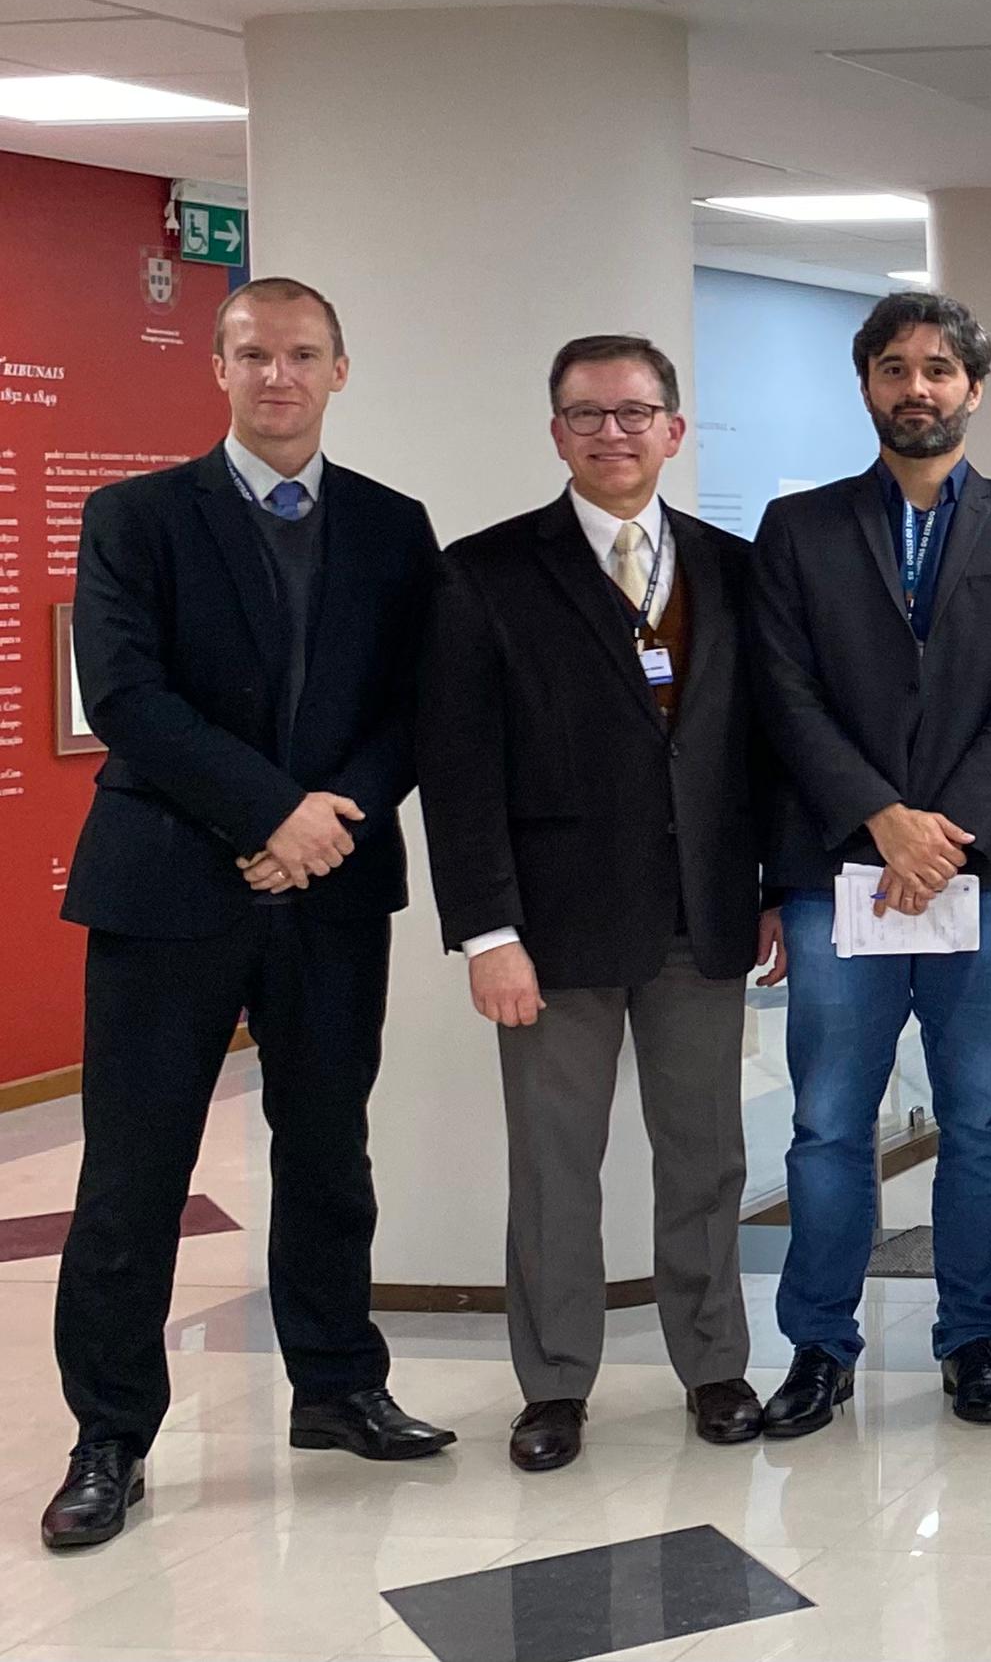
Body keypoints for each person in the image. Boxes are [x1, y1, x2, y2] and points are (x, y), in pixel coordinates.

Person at [43, 279, 453, 1551]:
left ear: (340, 371)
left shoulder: (393, 525)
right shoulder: (136, 517)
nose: (279, 376)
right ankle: (110, 1436)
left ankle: (336, 1387)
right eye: (255, 354)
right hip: (169, 884)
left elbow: (416, 705)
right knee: (134, 1172)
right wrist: (273, 815)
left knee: (328, 1152)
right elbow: (126, 696)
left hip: (331, 891)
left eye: (302, 355)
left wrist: (329, 826)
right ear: (217, 369)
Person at [415, 335, 777, 1475]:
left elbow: (760, 750)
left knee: (706, 1155)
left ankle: (714, 1364)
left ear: (674, 430)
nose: (611, 433)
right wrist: (488, 932)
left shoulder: (734, 568)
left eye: (633, 412)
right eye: (587, 414)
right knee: (555, 1164)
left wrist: (770, 890)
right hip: (550, 929)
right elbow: (457, 771)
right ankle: (556, 1383)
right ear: (555, 431)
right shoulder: (484, 572)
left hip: (700, 916)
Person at [750, 291, 991, 1439]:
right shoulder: (798, 529)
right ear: (867, 386)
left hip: (984, 868)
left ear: (973, 387)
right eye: (894, 368)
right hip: (837, 860)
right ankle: (819, 1347)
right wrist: (883, 819)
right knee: (830, 1122)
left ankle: (973, 1337)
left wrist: (942, 835)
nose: (917, 387)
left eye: (939, 369)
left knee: (978, 1116)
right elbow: (782, 693)